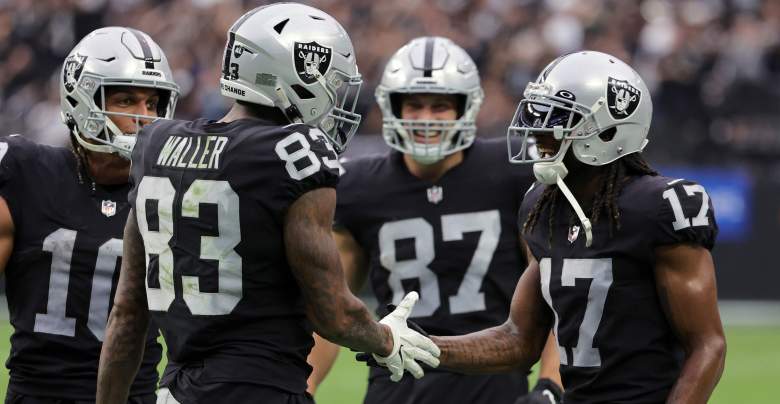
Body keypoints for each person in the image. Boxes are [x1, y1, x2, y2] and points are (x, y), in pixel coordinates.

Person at [95, 4, 439, 404]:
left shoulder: (155, 144)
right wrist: (386, 339)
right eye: (330, 81)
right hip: (261, 388)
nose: (335, 97)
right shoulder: (295, 153)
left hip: (179, 391)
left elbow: (127, 315)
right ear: (293, 74)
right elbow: (334, 313)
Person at [431, 51, 727, 403]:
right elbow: (519, 339)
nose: (538, 131)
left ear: (607, 129)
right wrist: (426, 346)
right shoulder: (543, 205)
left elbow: (708, 345)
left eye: (557, 119)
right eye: (538, 115)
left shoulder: (657, 207)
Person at [306, 36, 563, 404]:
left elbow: (555, 297)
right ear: (392, 107)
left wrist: (551, 385)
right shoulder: (360, 188)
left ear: (466, 107)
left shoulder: (511, 177)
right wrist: (306, 386)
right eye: (414, 105)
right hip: (397, 383)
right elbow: (331, 308)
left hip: (493, 382)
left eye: (440, 106)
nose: (426, 119)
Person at [0, 27, 179, 403]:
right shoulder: (26, 171)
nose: (144, 117)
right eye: (126, 100)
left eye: (153, 104)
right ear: (82, 98)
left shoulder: (176, 191)